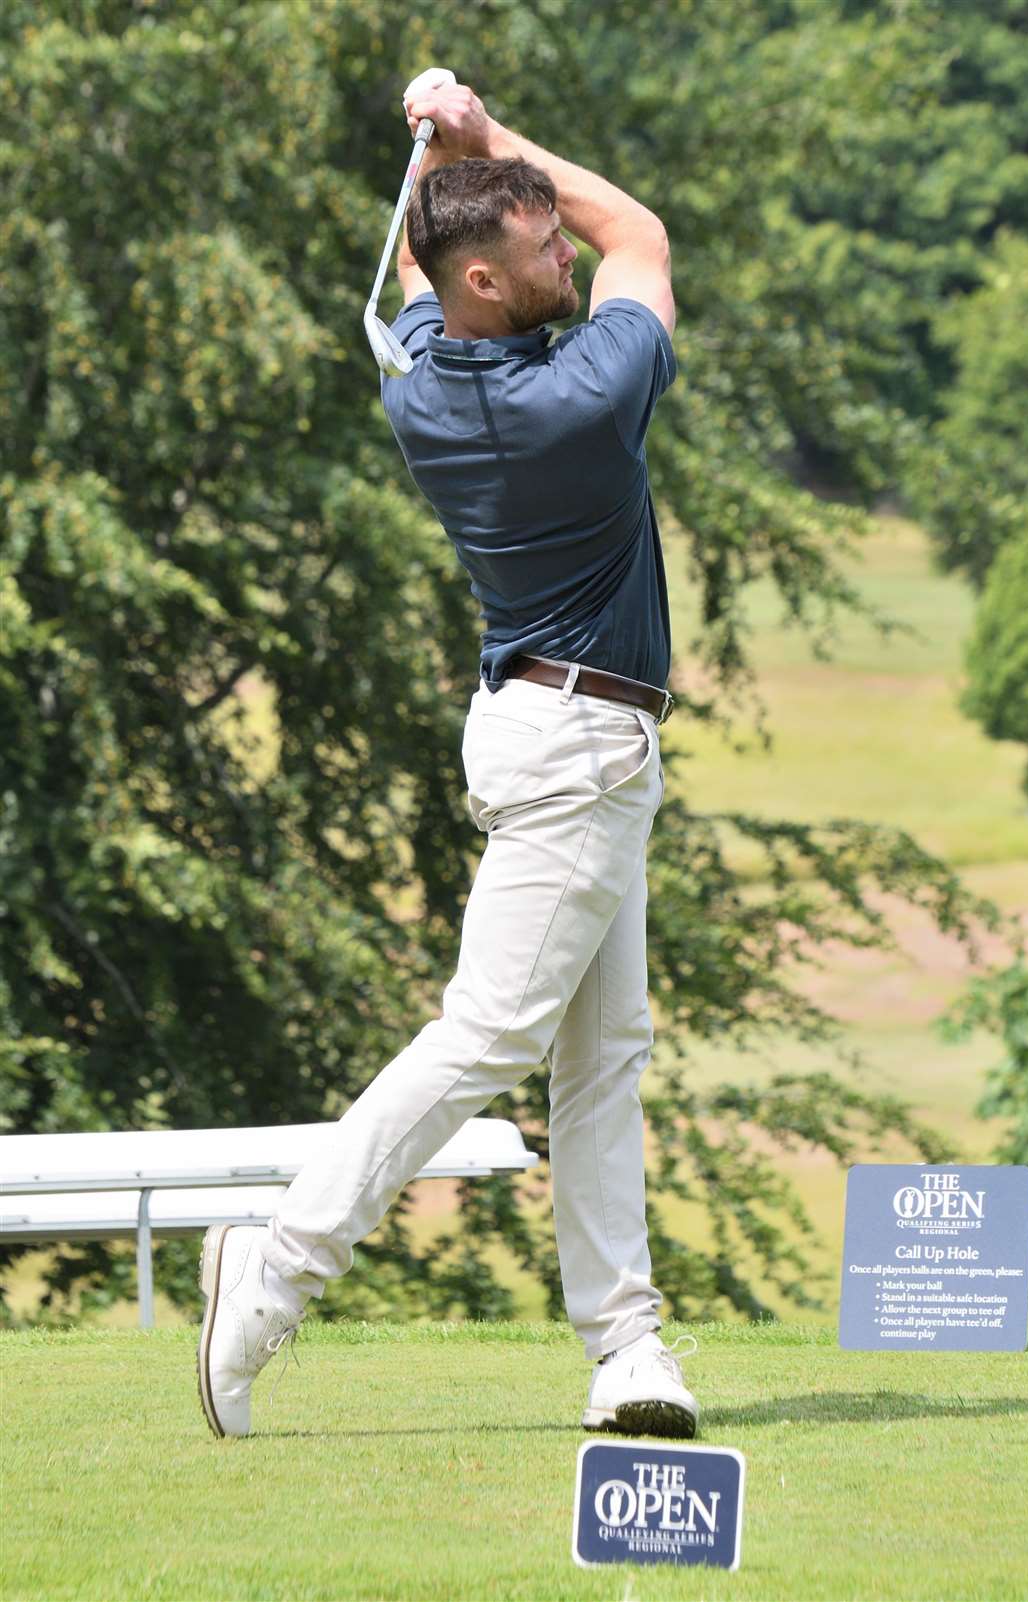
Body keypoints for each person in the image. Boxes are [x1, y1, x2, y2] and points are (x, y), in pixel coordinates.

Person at [197, 74, 698, 1441]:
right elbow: (641, 234)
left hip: (546, 729)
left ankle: (626, 1345)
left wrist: (457, 161)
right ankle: (276, 1269)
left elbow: (426, 272)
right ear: (484, 276)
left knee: (604, 1055)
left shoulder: (418, 367)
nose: (565, 252)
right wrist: (483, 131)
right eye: (539, 248)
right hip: (583, 741)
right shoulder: (584, 397)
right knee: (491, 1034)